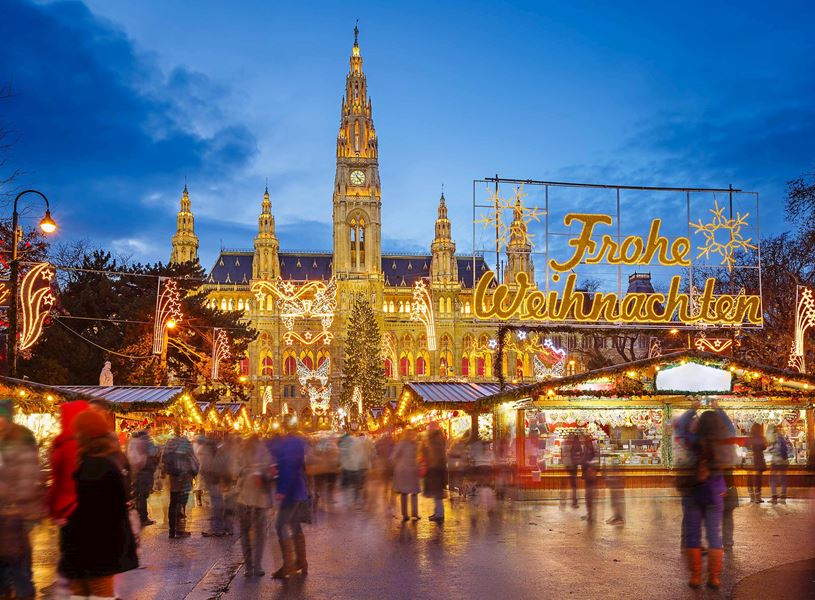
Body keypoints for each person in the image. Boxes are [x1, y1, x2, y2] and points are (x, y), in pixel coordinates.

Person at [59, 409, 138, 599]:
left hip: (94, 544)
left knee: (97, 593)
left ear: (85, 433)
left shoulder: (97, 464)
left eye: (77, 432)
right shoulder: (111, 458)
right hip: (97, 543)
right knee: (88, 592)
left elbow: (95, 509)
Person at [675, 407, 728, 590]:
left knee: (693, 534)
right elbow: (730, 428)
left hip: (693, 492)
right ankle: (714, 577)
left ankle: (696, 577)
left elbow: (680, 428)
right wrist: (719, 409)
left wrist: (692, 409)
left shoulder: (693, 441)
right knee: (714, 534)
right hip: (715, 491)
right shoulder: (722, 442)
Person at [0, 399, 43, 600]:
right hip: (7, 509)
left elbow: (27, 476)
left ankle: (23, 592)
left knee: (18, 560)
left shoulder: (21, 438)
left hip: (17, 511)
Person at [269, 430, 310, 579]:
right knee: (294, 524)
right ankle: (301, 561)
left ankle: (288, 565)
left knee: (280, 525)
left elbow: (289, 470)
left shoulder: (287, 447)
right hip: (298, 491)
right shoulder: (293, 445)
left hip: (291, 494)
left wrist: (282, 490)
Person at [236, 436, 273, 577]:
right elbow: (271, 473)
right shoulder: (265, 453)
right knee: (259, 534)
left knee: (245, 534)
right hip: (260, 500)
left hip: (244, 499)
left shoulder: (242, 453)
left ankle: (248, 567)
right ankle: (257, 566)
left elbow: (234, 471)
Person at [161, 428, 199, 539]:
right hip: (184, 476)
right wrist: (195, 471)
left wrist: (164, 472)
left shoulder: (169, 444)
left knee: (173, 502)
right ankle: (180, 530)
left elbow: (163, 459)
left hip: (173, 476)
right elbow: (193, 459)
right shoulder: (186, 443)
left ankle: (171, 531)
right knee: (182, 502)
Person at [127, 425, 159, 526]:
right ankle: (144, 518)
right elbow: (154, 452)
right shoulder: (147, 441)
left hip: (134, 471)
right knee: (143, 495)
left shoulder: (132, 442)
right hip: (145, 470)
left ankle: (139, 514)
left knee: (138, 494)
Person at [391, 430, 421, 521]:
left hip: (411, 470)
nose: (412, 436)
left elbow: (393, 457)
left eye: (413, 434)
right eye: (410, 434)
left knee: (412, 493)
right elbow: (394, 456)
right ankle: (406, 514)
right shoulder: (404, 444)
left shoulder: (414, 444)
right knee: (406, 493)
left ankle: (412, 514)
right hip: (405, 471)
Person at [422, 423, 448, 522]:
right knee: (436, 493)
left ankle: (439, 514)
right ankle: (437, 512)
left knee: (437, 493)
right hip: (436, 469)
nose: (428, 430)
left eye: (429, 428)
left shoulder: (435, 439)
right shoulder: (436, 438)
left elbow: (435, 455)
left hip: (436, 469)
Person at [770, 423, 790, 504]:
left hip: (777, 461)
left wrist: (770, 450)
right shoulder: (783, 437)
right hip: (784, 461)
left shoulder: (776, 438)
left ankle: (774, 496)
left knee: (772, 479)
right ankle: (783, 495)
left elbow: (776, 450)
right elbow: (787, 449)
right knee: (783, 478)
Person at [748, 423, 766, 503]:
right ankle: (757, 498)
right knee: (758, 479)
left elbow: (745, 447)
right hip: (759, 460)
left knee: (750, 478)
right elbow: (764, 447)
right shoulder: (761, 438)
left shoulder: (750, 438)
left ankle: (751, 497)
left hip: (751, 461)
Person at [562, 433, 579, 508]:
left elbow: (562, 455)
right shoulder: (570, 445)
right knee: (572, 485)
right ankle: (572, 501)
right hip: (570, 466)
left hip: (570, 466)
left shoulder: (565, 444)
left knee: (572, 485)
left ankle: (571, 501)